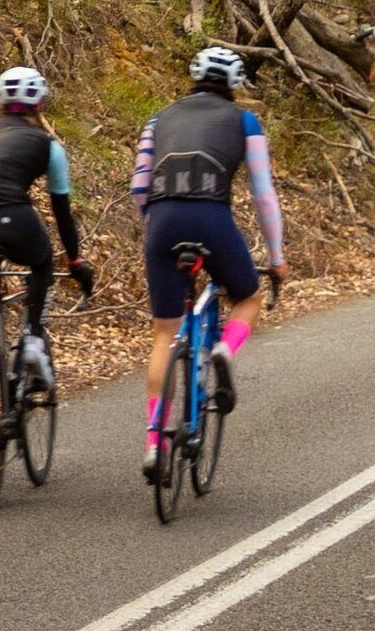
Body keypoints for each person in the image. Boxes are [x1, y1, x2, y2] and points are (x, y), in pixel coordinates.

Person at [129, 44, 286, 474]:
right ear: (235, 85)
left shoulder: (159, 119)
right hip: (212, 218)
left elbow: (140, 185)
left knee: (165, 333)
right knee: (248, 298)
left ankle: (154, 444)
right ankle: (223, 350)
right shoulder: (245, 120)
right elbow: (263, 193)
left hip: (162, 219)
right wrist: (276, 258)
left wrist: (158, 226)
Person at [0, 65, 92, 395]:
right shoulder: (48, 145)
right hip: (14, 218)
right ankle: (32, 335)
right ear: (39, 103)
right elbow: (61, 210)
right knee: (42, 263)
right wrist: (75, 261)